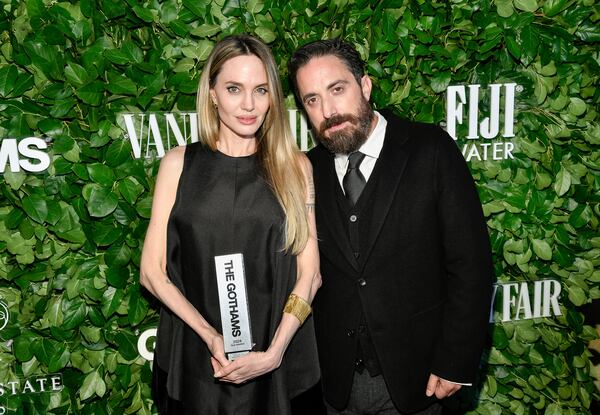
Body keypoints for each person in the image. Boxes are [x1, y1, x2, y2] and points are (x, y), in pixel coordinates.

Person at [288, 39, 494, 415]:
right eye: (312, 100)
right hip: (335, 387)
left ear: (365, 86)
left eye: (337, 89)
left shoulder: (431, 148)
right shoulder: (306, 169)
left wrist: (455, 360)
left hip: (417, 380)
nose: (329, 111)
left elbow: (472, 265)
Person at [140, 34, 321, 415]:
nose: (249, 105)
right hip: (196, 359)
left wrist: (273, 353)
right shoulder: (177, 164)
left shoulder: (296, 167)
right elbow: (152, 273)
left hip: (280, 358)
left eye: (261, 90)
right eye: (234, 89)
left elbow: (310, 275)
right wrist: (209, 336)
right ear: (212, 93)